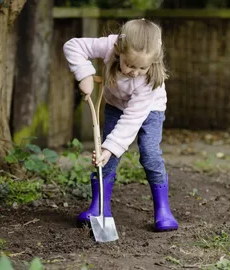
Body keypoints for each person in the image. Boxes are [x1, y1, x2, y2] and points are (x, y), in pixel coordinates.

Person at [63, 18, 178, 231]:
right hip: (116, 105)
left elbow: (133, 119)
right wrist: (85, 74)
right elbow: (73, 45)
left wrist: (111, 147)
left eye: (142, 67)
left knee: (150, 154)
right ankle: (100, 207)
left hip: (149, 110)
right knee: (105, 159)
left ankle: (163, 210)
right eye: (130, 64)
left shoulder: (149, 81)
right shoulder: (110, 45)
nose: (134, 71)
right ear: (118, 50)